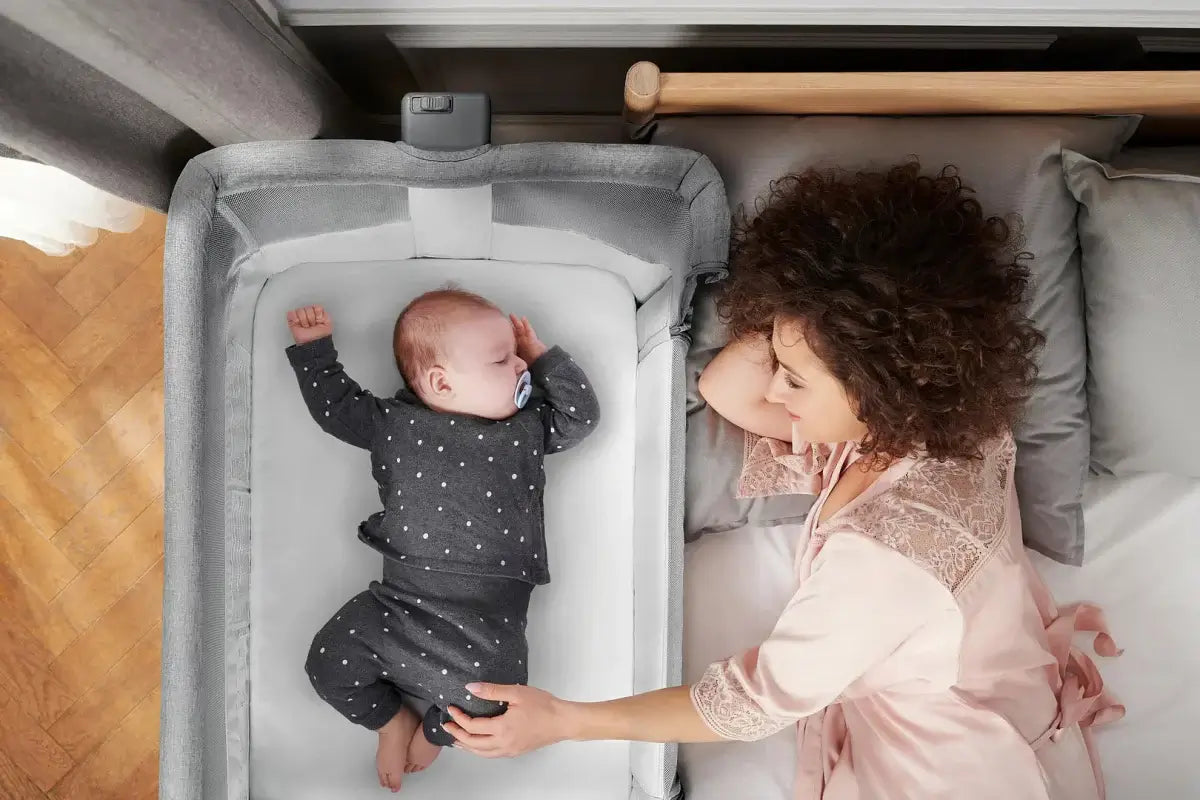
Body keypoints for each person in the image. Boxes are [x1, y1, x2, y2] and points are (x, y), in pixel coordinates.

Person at [441, 163, 1124, 799]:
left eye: (794, 379)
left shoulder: (884, 563)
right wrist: (811, 309)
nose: (771, 385)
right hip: (988, 689)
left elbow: (752, 701)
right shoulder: (947, 425)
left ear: (880, 382)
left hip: (952, 771)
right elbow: (723, 386)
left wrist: (563, 720)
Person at [285, 288, 599, 793]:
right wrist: (314, 348)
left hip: (487, 619)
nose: (519, 366)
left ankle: (436, 728)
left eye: (517, 357)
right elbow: (336, 407)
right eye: (503, 359)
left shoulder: (525, 428)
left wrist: (544, 358)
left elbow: (580, 417)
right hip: (398, 604)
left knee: (499, 706)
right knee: (327, 664)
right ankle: (390, 721)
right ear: (440, 382)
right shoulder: (395, 423)